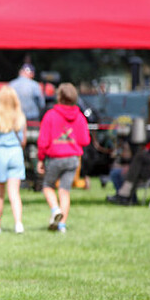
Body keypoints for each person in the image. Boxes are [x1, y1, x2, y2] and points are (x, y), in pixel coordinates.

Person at [36, 82, 90, 233]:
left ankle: (55, 210)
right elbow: (85, 140)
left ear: (59, 96)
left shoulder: (51, 115)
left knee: (47, 186)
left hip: (56, 158)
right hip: (73, 158)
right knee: (64, 191)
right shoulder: (79, 116)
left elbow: (43, 141)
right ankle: (62, 225)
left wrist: (41, 158)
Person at [0, 86, 26, 234]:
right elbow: (23, 140)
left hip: (0, 153)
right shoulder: (20, 116)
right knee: (15, 193)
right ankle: (18, 224)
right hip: (16, 153)